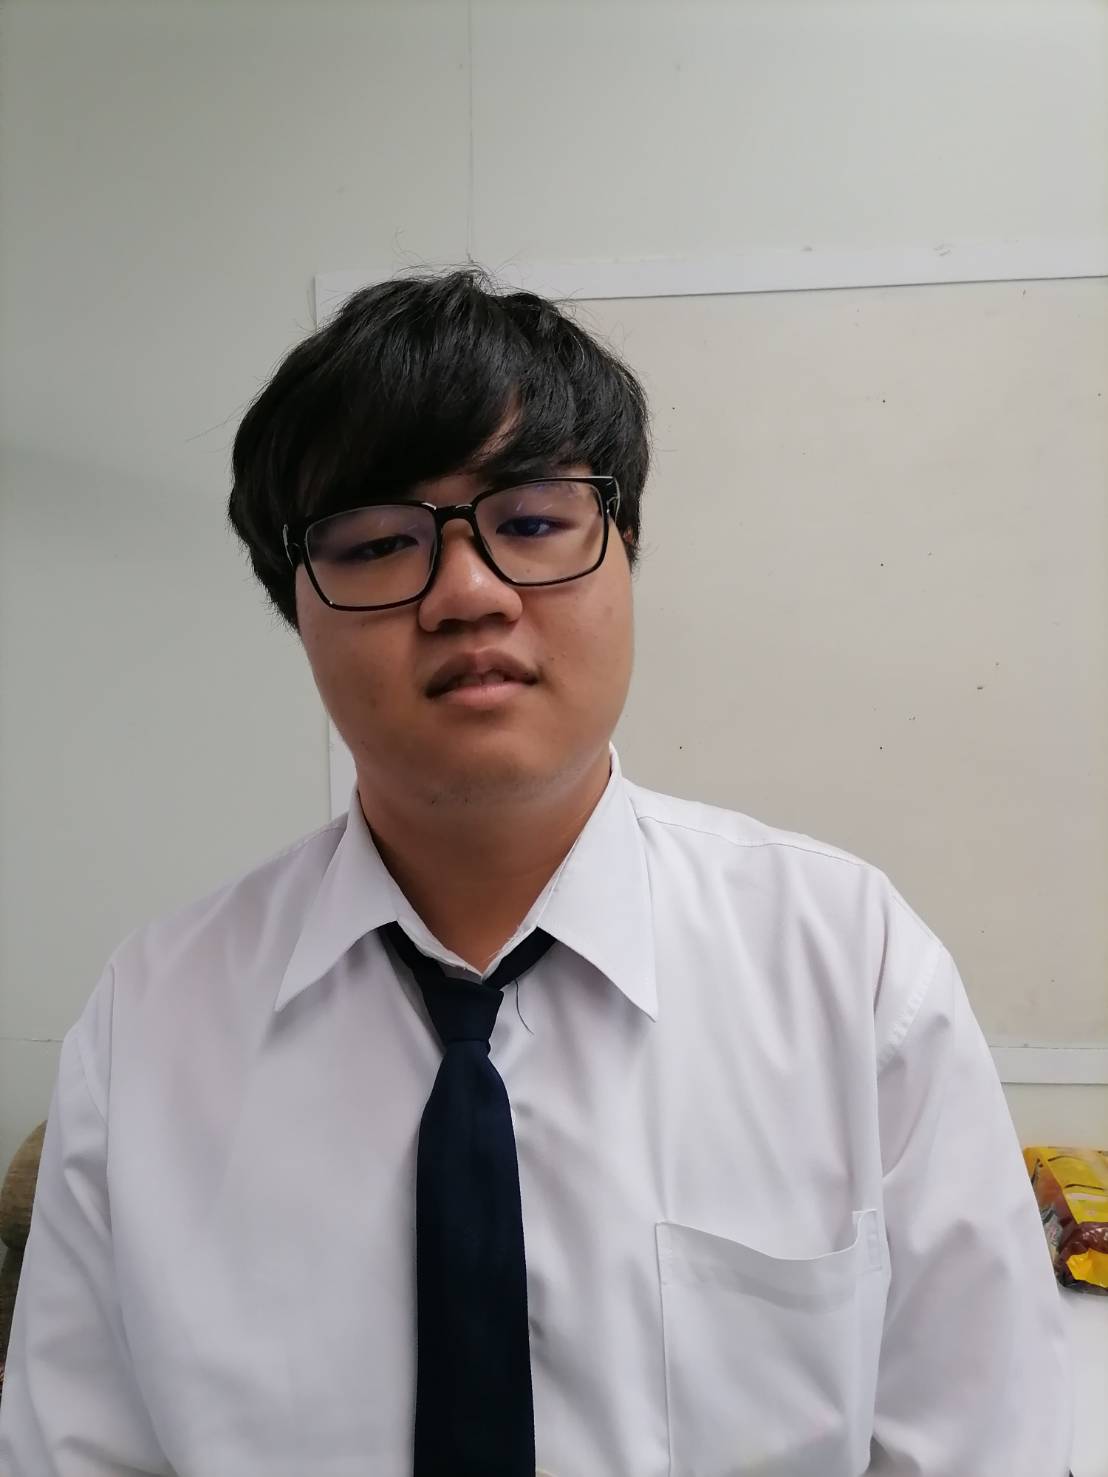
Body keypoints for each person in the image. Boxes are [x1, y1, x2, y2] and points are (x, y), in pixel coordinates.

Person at [0, 268, 1072, 1477]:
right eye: (377, 542)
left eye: (531, 521)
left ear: (625, 547)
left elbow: (988, 1443)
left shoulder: (853, 970)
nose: (467, 592)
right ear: (294, 605)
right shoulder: (150, 1026)